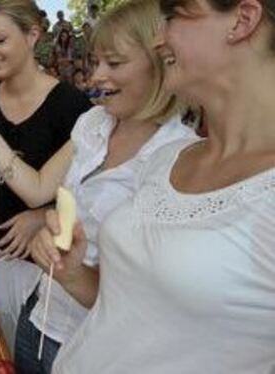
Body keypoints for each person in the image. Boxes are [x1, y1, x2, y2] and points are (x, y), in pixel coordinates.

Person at [30, 0, 275, 370]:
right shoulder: (169, 158)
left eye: (173, 15)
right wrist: (75, 272)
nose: (159, 40)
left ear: (243, 19)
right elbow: (130, 308)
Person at [0, 0, 198, 371]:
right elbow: (39, 189)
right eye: (95, 63)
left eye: (114, 63)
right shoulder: (93, 123)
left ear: (162, 62)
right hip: (40, 317)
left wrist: (47, 223)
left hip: (96, 342)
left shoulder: (180, 157)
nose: (96, 77)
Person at [0, 0, 93, 352]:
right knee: (0, 344)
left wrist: (39, 217)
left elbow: (90, 186)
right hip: (0, 248)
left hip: (52, 260)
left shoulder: (71, 105)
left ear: (32, 35)